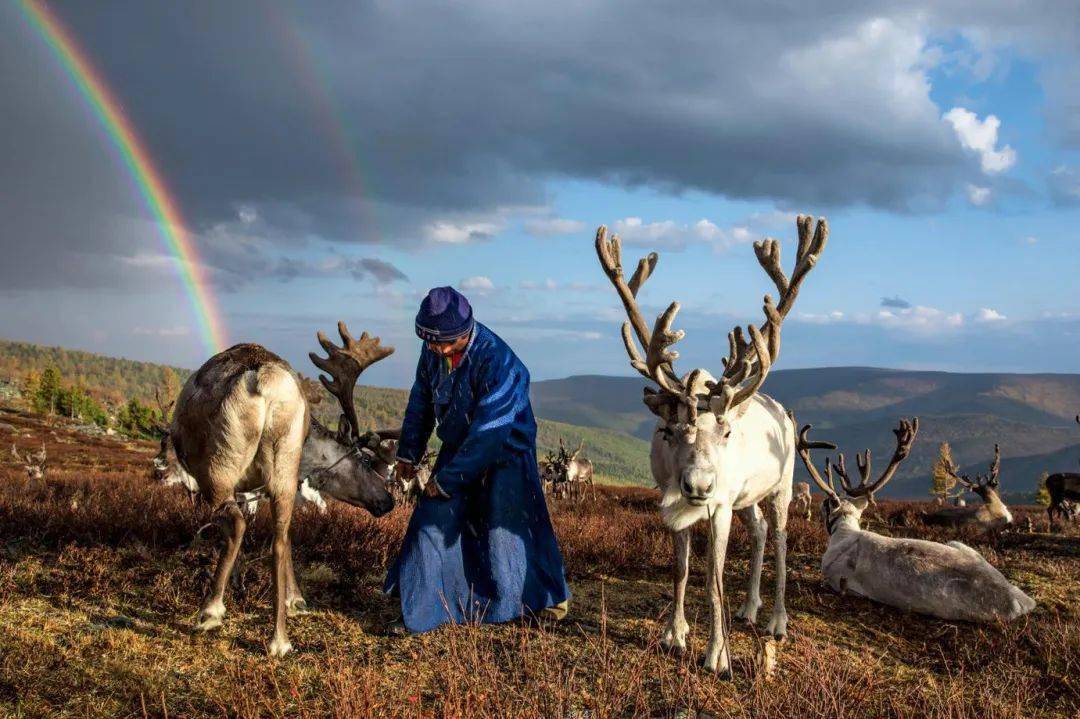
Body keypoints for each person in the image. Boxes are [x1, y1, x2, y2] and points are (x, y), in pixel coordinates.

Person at [384, 286, 570, 633]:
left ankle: (540, 600)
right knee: (431, 520)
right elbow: (421, 401)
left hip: (505, 453)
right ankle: (421, 608)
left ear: (462, 333)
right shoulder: (433, 354)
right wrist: (409, 452)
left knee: (507, 531)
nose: (434, 349)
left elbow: (490, 432)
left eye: (441, 342)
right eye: (428, 341)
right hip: (460, 447)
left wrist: (447, 480)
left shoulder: (498, 361)